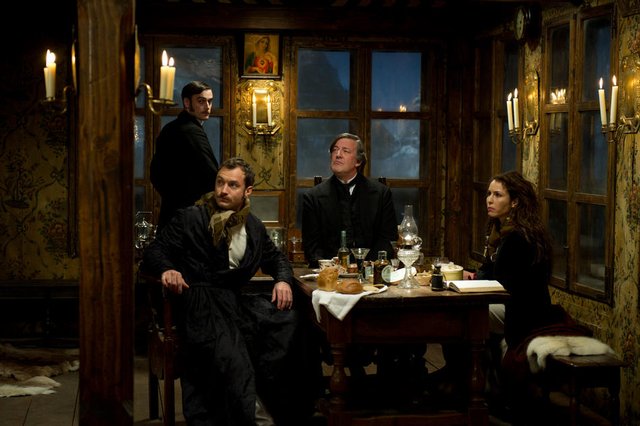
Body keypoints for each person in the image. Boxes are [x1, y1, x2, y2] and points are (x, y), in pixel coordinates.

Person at [142, 157, 314, 426]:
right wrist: (168, 269)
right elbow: (155, 250)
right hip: (199, 302)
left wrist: (282, 280)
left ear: (247, 191)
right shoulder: (191, 217)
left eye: (232, 185)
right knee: (228, 344)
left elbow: (277, 259)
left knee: (290, 321)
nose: (223, 190)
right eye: (220, 182)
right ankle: (254, 417)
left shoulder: (254, 227)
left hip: (232, 302)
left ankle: (286, 409)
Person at [301, 132, 397, 267]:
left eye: (345, 151)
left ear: (358, 161)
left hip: (372, 271)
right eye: (335, 150)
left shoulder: (381, 194)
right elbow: (312, 247)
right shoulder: (313, 197)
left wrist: (368, 267)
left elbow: (387, 239)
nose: (338, 154)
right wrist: (331, 268)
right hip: (329, 273)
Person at [150, 81, 219, 231]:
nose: (207, 106)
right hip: (190, 218)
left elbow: (155, 175)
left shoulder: (170, 128)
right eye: (201, 101)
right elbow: (212, 174)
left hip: (172, 215)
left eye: (210, 101)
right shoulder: (190, 130)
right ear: (187, 103)